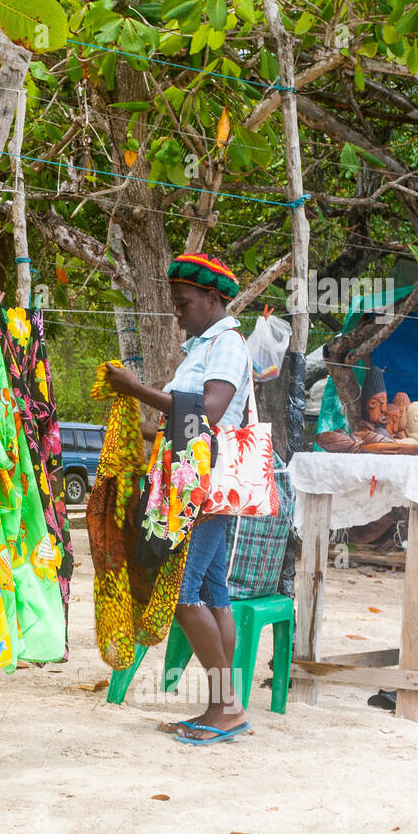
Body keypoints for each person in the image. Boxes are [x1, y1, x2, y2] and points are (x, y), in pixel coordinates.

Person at [102, 253, 255, 745]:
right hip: (200, 482)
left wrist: (138, 388)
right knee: (213, 592)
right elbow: (182, 424)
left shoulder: (227, 345)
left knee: (182, 592)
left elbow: (207, 413)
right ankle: (222, 706)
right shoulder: (201, 347)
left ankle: (227, 707)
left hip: (203, 488)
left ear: (212, 299)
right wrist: (131, 412)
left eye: (184, 302)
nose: (177, 312)